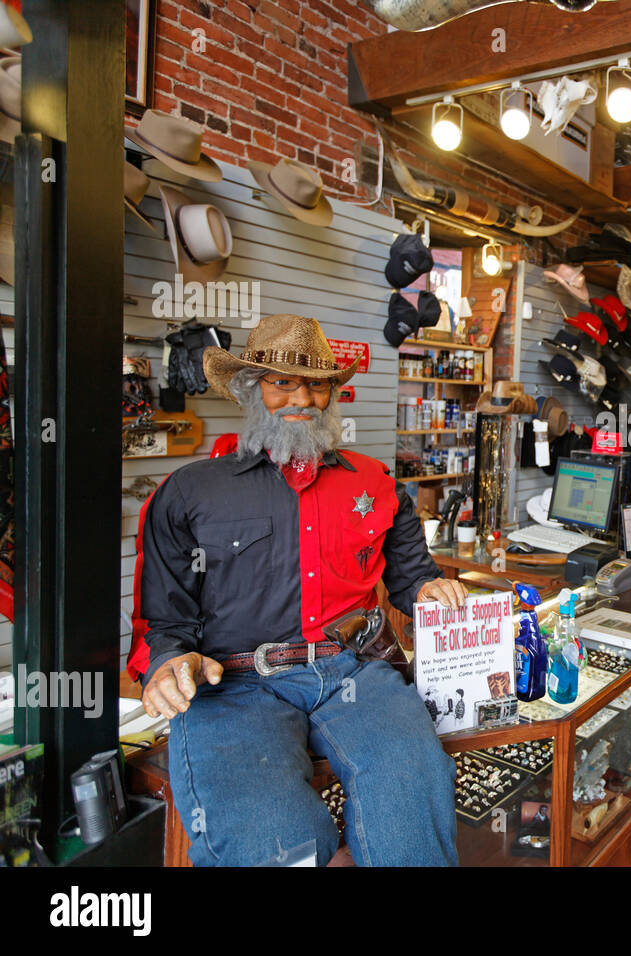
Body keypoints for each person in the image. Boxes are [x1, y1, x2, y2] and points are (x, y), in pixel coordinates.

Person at [128, 313, 467, 866]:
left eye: (316, 384)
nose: (301, 398)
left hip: (354, 672)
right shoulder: (190, 492)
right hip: (235, 685)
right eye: (282, 381)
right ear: (250, 388)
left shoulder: (374, 482)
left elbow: (410, 577)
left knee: (413, 801)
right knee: (274, 843)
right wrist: (169, 660)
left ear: (333, 392)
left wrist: (429, 591)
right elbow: (163, 620)